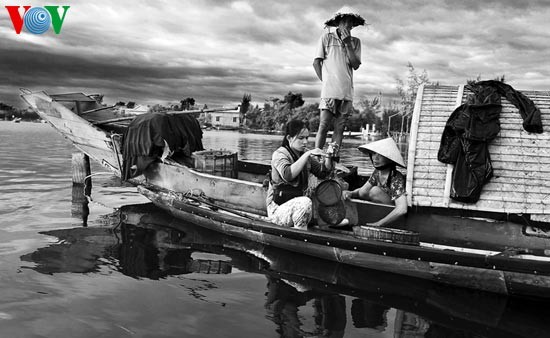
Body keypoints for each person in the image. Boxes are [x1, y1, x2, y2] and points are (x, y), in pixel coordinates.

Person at [313, 6, 365, 159]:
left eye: (351, 22)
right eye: (346, 21)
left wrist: (348, 43)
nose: (349, 25)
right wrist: (326, 82)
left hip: (346, 92)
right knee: (323, 125)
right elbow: (317, 63)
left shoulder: (355, 42)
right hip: (329, 91)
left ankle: (332, 160)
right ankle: (316, 158)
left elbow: (355, 65)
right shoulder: (326, 38)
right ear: (338, 22)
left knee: (339, 128)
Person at [267, 119, 331, 229]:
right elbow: (287, 175)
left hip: (297, 207)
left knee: (315, 196)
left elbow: (323, 173)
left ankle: (307, 225)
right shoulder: (279, 154)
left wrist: (329, 156)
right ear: (289, 138)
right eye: (301, 138)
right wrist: (307, 155)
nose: (305, 142)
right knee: (305, 202)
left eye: (307, 138)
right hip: (278, 210)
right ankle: (300, 234)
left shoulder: (304, 154)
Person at [342, 138, 407, 227]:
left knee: (374, 191)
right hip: (379, 209)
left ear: (389, 158)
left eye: (380, 155)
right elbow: (362, 192)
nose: (375, 158)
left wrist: (380, 223)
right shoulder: (377, 172)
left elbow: (402, 209)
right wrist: (350, 193)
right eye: (373, 154)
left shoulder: (395, 177)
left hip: (391, 213)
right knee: (365, 192)